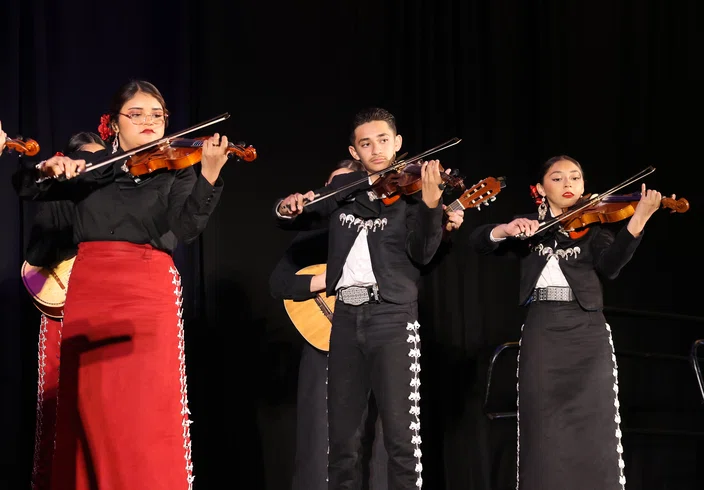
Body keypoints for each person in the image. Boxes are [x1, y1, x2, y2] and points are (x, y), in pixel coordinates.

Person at [12, 79, 231, 490]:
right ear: (114, 123)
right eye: (137, 113)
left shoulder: (178, 168)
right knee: (90, 413)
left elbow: (185, 228)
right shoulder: (91, 166)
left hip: (148, 293)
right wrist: (47, 168)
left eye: (157, 114)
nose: (149, 120)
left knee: (145, 413)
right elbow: (26, 188)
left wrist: (209, 176)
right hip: (91, 289)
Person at [275, 107, 463, 490]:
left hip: (392, 317)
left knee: (400, 440)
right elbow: (298, 216)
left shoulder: (411, 198)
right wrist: (286, 206)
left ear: (397, 144)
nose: (375, 149)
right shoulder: (344, 190)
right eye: (366, 143)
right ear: (354, 150)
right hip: (345, 316)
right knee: (342, 440)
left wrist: (430, 206)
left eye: (382, 140)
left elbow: (424, 255)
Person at [467, 155, 666, 490]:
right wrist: (504, 229)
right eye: (557, 178)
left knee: (594, 423)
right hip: (543, 329)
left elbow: (611, 266)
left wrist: (638, 221)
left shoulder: (595, 229)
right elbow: (478, 242)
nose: (568, 184)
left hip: (586, 332)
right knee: (543, 425)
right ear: (540, 189)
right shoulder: (528, 227)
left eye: (575, 177)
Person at [270, 159, 388, 490]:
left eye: (349, 186)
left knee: (377, 439)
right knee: (317, 442)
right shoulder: (316, 233)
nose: (339, 194)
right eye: (333, 187)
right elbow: (279, 284)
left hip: (376, 337)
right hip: (325, 345)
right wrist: (328, 278)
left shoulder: (382, 227)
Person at [24, 132, 107, 490]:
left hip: (106, 307)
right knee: (59, 409)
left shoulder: (115, 196)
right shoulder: (57, 197)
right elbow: (37, 256)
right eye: (87, 161)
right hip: (64, 307)